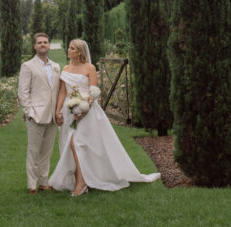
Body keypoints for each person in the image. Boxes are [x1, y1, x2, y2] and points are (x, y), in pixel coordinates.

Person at [49, 39, 160, 196]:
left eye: (72, 48)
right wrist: (58, 111)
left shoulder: (90, 68)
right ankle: (79, 180)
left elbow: (93, 92)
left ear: (80, 52)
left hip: (87, 113)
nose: (68, 50)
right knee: (70, 145)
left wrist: (83, 110)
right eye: (69, 48)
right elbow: (62, 92)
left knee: (76, 144)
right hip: (69, 111)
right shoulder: (65, 68)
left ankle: (81, 184)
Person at [17, 32, 61, 193]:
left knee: (47, 152)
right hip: (36, 115)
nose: (43, 44)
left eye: (45, 42)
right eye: (40, 42)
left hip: (52, 116)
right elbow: (23, 92)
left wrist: (58, 112)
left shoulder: (55, 66)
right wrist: (29, 112)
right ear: (35, 46)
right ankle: (31, 185)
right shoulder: (28, 66)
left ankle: (44, 182)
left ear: (49, 45)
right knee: (33, 151)